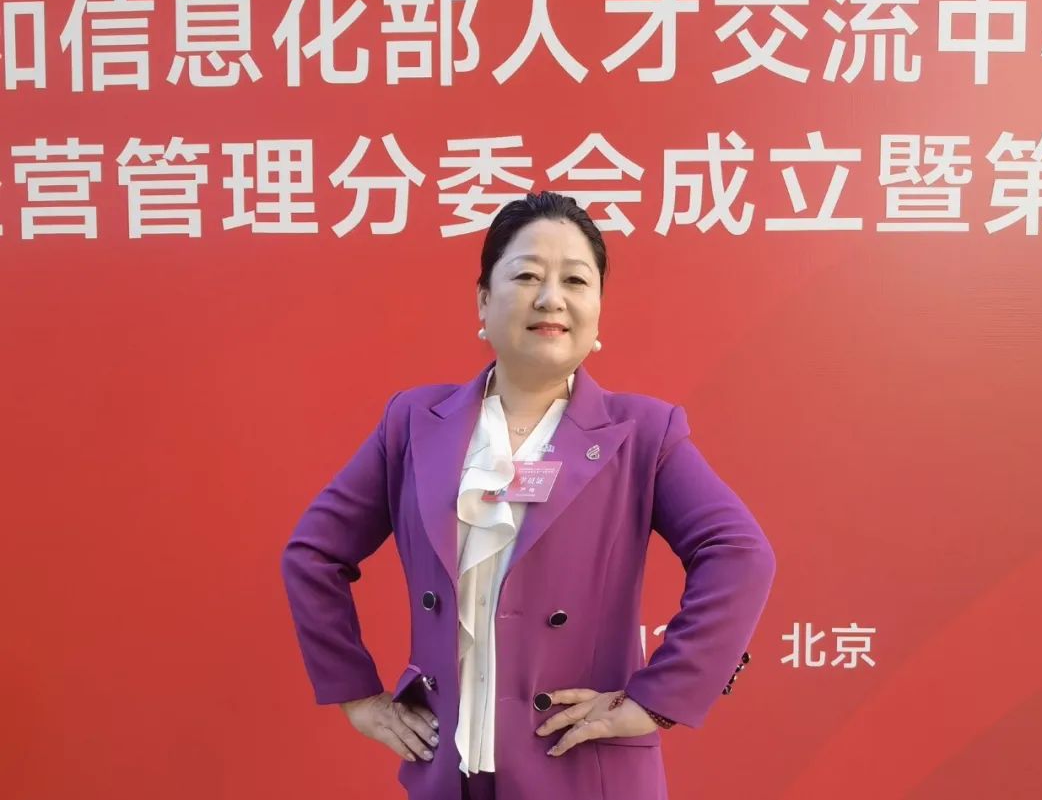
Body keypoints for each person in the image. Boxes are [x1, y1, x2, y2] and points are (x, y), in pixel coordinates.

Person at [280, 191, 777, 800]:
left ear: (598, 310)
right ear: (483, 301)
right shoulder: (412, 422)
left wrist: (658, 699)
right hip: (447, 774)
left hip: (582, 773)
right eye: (526, 276)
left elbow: (739, 554)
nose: (551, 298)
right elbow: (314, 553)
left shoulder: (645, 433)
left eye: (576, 280)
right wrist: (356, 694)